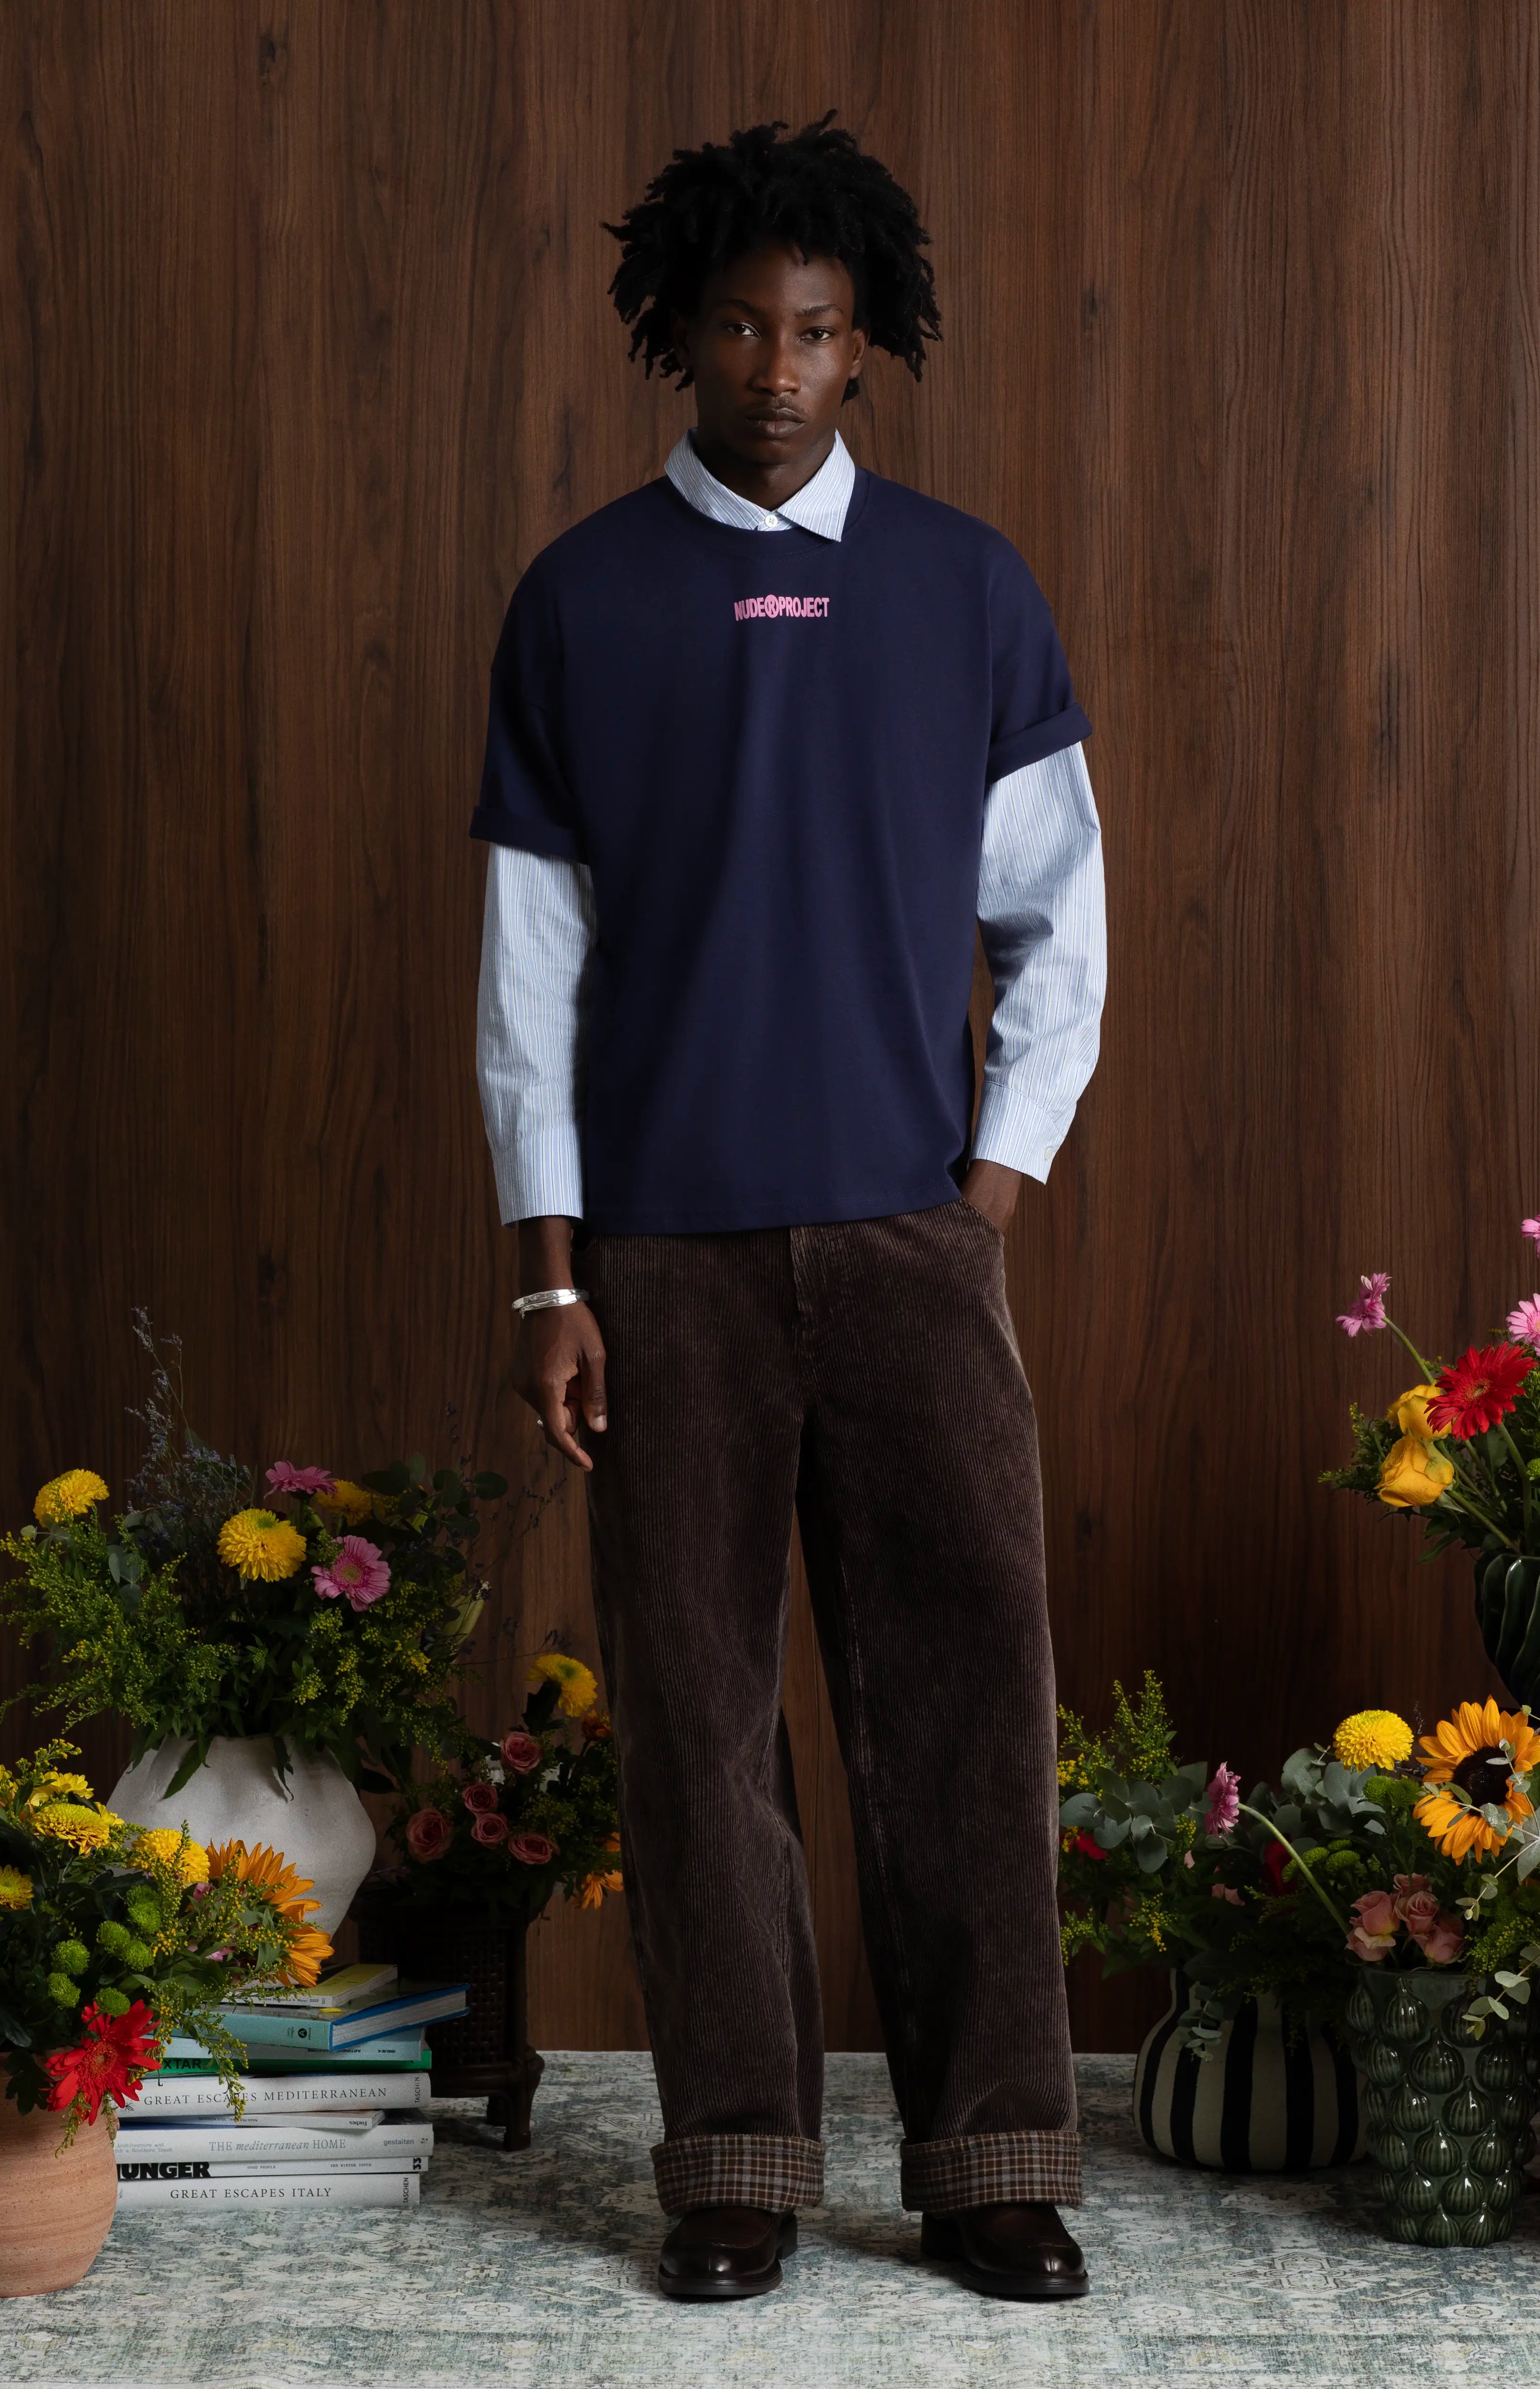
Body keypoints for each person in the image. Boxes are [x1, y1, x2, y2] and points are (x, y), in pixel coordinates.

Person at [472, 115, 1106, 2303]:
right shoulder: (580, 596)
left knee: (965, 1703)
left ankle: (992, 2160)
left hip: (913, 1243)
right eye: (741, 326)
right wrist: (549, 1274)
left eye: (817, 330)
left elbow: (1059, 921)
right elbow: (529, 972)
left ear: (867, 344)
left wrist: (987, 1190)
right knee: (693, 1714)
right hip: (662, 1259)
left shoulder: (965, 587)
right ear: (681, 330)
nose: (777, 367)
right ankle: (732, 2161)